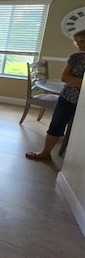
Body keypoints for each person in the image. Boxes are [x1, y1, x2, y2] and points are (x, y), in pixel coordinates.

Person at [26, 29, 85, 160]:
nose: (79, 44)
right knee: (56, 125)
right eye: (78, 42)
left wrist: (76, 82)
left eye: (83, 41)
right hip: (68, 98)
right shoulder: (76, 57)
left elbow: (70, 80)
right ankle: (45, 153)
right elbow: (64, 77)